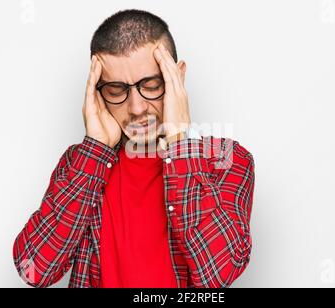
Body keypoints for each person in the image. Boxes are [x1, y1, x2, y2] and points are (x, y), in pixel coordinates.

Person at [13, 9, 255, 288]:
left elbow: (219, 273)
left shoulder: (225, 158)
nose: (137, 108)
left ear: (178, 78)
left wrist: (180, 142)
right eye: (116, 91)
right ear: (98, 94)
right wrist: (95, 150)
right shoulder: (80, 164)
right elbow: (33, 270)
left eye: (151, 85)